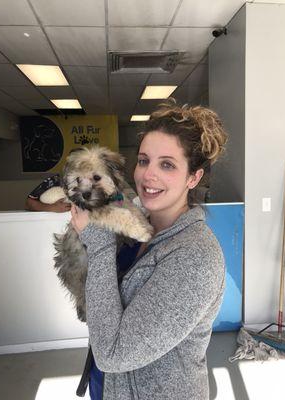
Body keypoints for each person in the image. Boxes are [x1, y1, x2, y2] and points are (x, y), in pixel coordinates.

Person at [71, 99, 228, 400]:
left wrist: (98, 240)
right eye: (144, 161)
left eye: (167, 164)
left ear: (193, 178)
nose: (148, 175)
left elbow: (113, 353)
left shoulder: (196, 257)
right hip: (110, 389)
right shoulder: (135, 225)